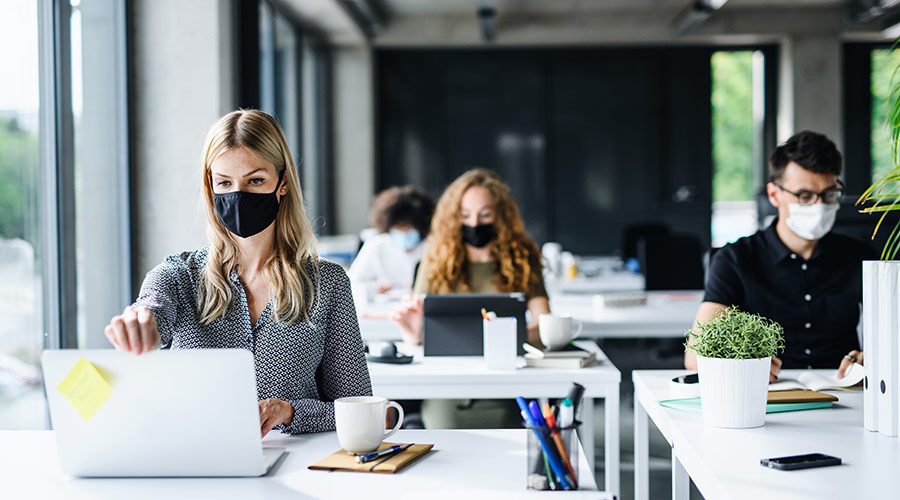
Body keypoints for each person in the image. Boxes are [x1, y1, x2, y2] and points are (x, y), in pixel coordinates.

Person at [103, 109, 372, 437]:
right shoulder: (177, 276)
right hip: (197, 461)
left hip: (298, 469)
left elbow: (358, 408)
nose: (239, 195)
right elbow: (152, 309)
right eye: (225, 182)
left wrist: (290, 412)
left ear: (283, 183)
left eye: (255, 180)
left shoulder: (327, 284)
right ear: (211, 187)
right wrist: (138, 321)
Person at [684, 131, 876, 381]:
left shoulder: (860, 256)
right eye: (804, 196)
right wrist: (746, 364)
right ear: (774, 195)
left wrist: (875, 357)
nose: (818, 206)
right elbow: (695, 356)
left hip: (847, 393)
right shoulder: (735, 259)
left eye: (828, 195)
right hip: (767, 395)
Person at [392, 168, 550, 428]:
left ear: (501, 216)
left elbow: (545, 325)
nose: (475, 224)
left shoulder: (523, 259)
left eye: (485, 214)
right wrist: (413, 335)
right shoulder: (435, 262)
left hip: (507, 391)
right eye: (465, 215)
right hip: (449, 390)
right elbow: (419, 330)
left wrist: (505, 335)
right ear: (454, 218)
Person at [348, 186, 434, 294]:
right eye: (398, 227)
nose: (404, 232)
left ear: (421, 226)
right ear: (388, 225)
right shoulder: (376, 245)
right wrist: (375, 288)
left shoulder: (433, 247)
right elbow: (352, 282)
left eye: (408, 227)